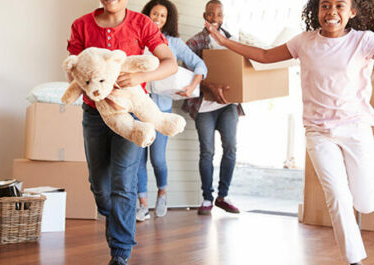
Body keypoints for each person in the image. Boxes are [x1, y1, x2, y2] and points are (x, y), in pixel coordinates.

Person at [206, 0, 374, 264]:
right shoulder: (304, 42)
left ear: (352, 12)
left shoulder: (363, 41)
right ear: (317, 10)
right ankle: (354, 259)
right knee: (337, 195)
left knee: (365, 204)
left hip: (355, 129)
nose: (331, 11)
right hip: (318, 132)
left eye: (340, 5)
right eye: (325, 5)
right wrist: (224, 41)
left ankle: (372, 189)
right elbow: (263, 56)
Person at [66, 0, 177, 264]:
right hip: (94, 115)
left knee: (123, 185)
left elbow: (169, 63)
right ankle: (114, 213)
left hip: (131, 115)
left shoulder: (142, 24)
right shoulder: (80, 25)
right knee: (99, 186)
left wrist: (140, 78)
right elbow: (74, 69)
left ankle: (120, 252)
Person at [135, 0, 208, 221]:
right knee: (138, 160)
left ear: (168, 20)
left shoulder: (173, 43)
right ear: (146, 15)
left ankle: (162, 193)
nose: (157, 19)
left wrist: (192, 85)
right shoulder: (136, 39)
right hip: (137, 108)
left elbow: (200, 65)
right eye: (154, 14)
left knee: (157, 159)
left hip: (161, 111)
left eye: (162, 16)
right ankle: (142, 205)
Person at [185, 0, 244, 215]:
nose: (215, 19)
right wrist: (208, 84)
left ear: (223, 17)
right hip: (204, 107)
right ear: (204, 16)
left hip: (228, 105)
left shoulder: (232, 41)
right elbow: (186, 75)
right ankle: (207, 198)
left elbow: (241, 70)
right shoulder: (193, 43)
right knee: (207, 151)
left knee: (230, 148)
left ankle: (223, 196)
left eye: (219, 15)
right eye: (210, 14)